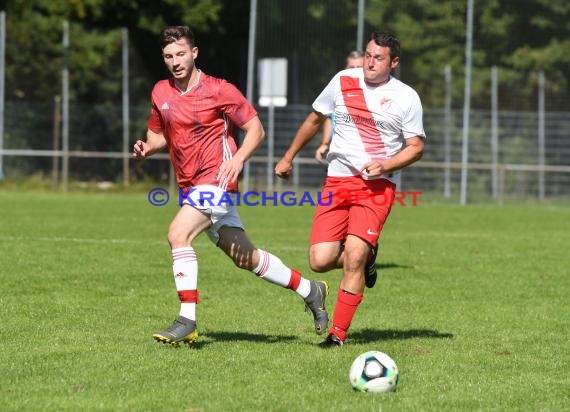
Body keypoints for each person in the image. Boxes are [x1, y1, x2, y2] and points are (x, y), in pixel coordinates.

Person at [134, 26, 328, 346]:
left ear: (194, 53)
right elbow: (158, 137)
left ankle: (187, 320)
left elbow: (255, 130)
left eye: (181, 54)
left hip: (217, 180)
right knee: (245, 258)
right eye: (169, 56)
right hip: (191, 186)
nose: (175, 61)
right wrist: (146, 148)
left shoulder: (219, 90)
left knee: (177, 234)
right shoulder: (160, 92)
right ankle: (311, 290)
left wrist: (237, 160)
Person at [275, 31, 425, 347]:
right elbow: (315, 119)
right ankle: (369, 259)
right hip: (336, 181)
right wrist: (288, 157)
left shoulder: (406, 97)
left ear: (394, 62)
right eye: (368, 55)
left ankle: (338, 335)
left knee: (354, 256)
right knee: (320, 259)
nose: (370, 62)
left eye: (378, 57)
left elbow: (415, 147)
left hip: (376, 186)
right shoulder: (343, 80)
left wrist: (386, 165)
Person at [314, 50, 364, 164]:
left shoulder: (373, 91)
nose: (355, 71)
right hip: (340, 155)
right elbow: (329, 116)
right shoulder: (338, 89)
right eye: (351, 67)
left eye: (359, 67)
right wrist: (324, 144)